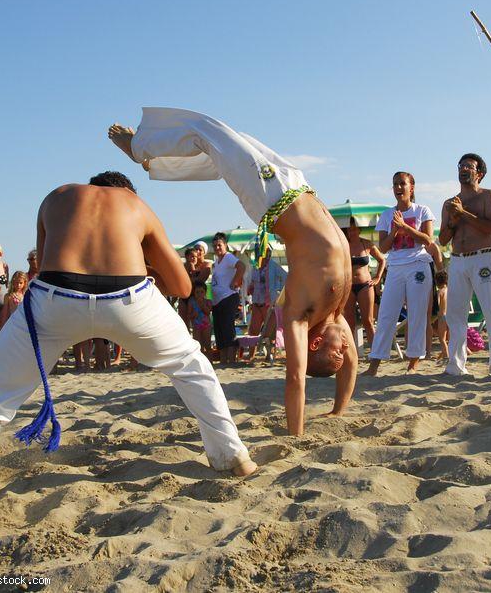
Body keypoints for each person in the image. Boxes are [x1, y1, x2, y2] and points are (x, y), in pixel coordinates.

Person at [0, 171, 255, 527]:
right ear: (125, 192)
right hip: (130, 300)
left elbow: (47, 263)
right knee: (191, 365)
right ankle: (235, 457)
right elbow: (181, 286)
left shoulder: (57, 196)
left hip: (56, 297)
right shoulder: (136, 204)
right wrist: (142, 259)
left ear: (92, 186)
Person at [108, 109, 357, 436]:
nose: (347, 349)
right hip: (299, 185)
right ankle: (153, 162)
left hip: (271, 196)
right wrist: (339, 411)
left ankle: (139, 147)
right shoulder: (334, 314)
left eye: (337, 352)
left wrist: (295, 435)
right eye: (342, 351)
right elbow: (350, 366)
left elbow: (295, 377)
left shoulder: (300, 314)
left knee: (212, 133)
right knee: (230, 145)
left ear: (316, 344)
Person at [439, 154, 491, 376]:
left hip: (483, 257)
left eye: (469, 166)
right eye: (461, 166)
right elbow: (442, 239)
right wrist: (453, 220)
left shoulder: (488, 196)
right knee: (455, 314)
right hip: (458, 259)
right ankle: (456, 365)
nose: (464, 169)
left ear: (479, 173)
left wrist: (464, 214)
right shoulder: (449, 203)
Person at [364, 173, 437, 375]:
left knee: (417, 313)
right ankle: (375, 363)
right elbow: (384, 247)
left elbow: (428, 240)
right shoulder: (387, 215)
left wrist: (405, 227)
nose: (398, 187)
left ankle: (413, 361)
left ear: (411, 187)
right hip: (395, 267)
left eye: (402, 183)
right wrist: (395, 231)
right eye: (395, 184)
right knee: (387, 314)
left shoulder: (422, 210)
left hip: (418, 265)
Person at [344, 217, 386, 354]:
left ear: (359, 229)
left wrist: (378, 277)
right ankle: (349, 353)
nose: (352, 232)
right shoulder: (343, 245)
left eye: (354, 229)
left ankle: (375, 353)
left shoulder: (367, 244)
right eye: (349, 230)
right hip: (348, 286)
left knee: (368, 321)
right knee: (348, 322)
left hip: (365, 285)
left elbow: (382, 260)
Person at [209, 232, 246, 365]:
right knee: (219, 331)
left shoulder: (229, 257)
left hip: (228, 297)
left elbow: (242, 266)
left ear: (225, 245)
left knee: (227, 329)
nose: (217, 248)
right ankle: (224, 360)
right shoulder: (217, 262)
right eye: (215, 246)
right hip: (218, 300)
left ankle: (231, 360)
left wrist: (235, 282)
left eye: (219, 245)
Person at [188, 281, 214, 352]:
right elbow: (189, 315)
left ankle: (210, 361)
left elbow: (208, 312)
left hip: (206, 326)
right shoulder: (191, 302)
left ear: (205, 293)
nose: (199, 294)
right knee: (198, 346)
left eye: (201, 292)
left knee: (207, 345)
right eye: (197, 292)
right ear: (194, 293)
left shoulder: (208, 302)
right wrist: (193, 314)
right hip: (196, 326)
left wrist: (202, 305)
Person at [433, 270, 450, 359]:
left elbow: (437, 304)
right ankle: (443, 354)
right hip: (450, 316)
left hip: (442, 316)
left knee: (442, 339)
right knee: (450, 339)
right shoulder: (450, 290)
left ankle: (446, 356)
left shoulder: (440, 291)